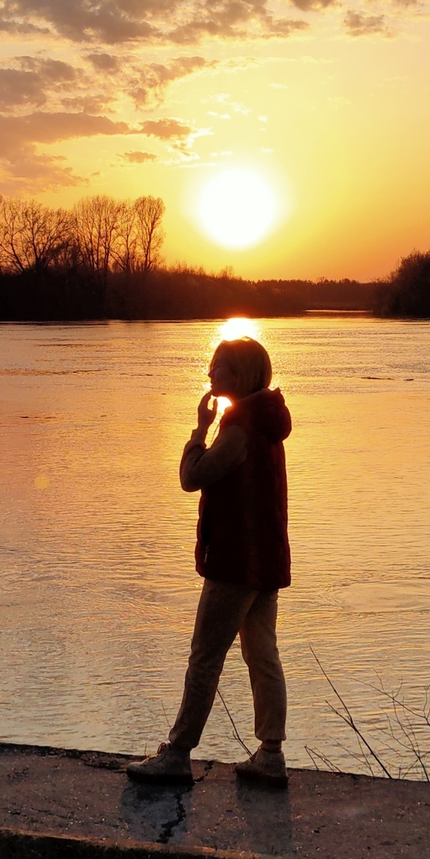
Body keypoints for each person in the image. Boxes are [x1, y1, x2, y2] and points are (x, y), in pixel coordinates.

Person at [127, 334, 292, 788]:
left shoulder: (239, 428)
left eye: (217, 366)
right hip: (265, 561)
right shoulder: (264, 422)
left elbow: (192, 477)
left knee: (205, 658)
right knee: (262, 655)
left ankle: (177, 754)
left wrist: (199, 430)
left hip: (236, 563)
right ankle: (271, 755)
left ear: (240, 374)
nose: (208, 373)